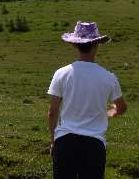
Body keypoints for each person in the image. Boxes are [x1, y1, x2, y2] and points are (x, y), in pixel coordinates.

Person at [47, 21, 127, 179]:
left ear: (74, 45)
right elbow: (122, 107)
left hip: (65, 142)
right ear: (97, 45)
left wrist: (53, 140)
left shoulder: (61, 74)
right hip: (94, 144)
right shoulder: (108, 77)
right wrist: (112, 112)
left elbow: (52, 112)